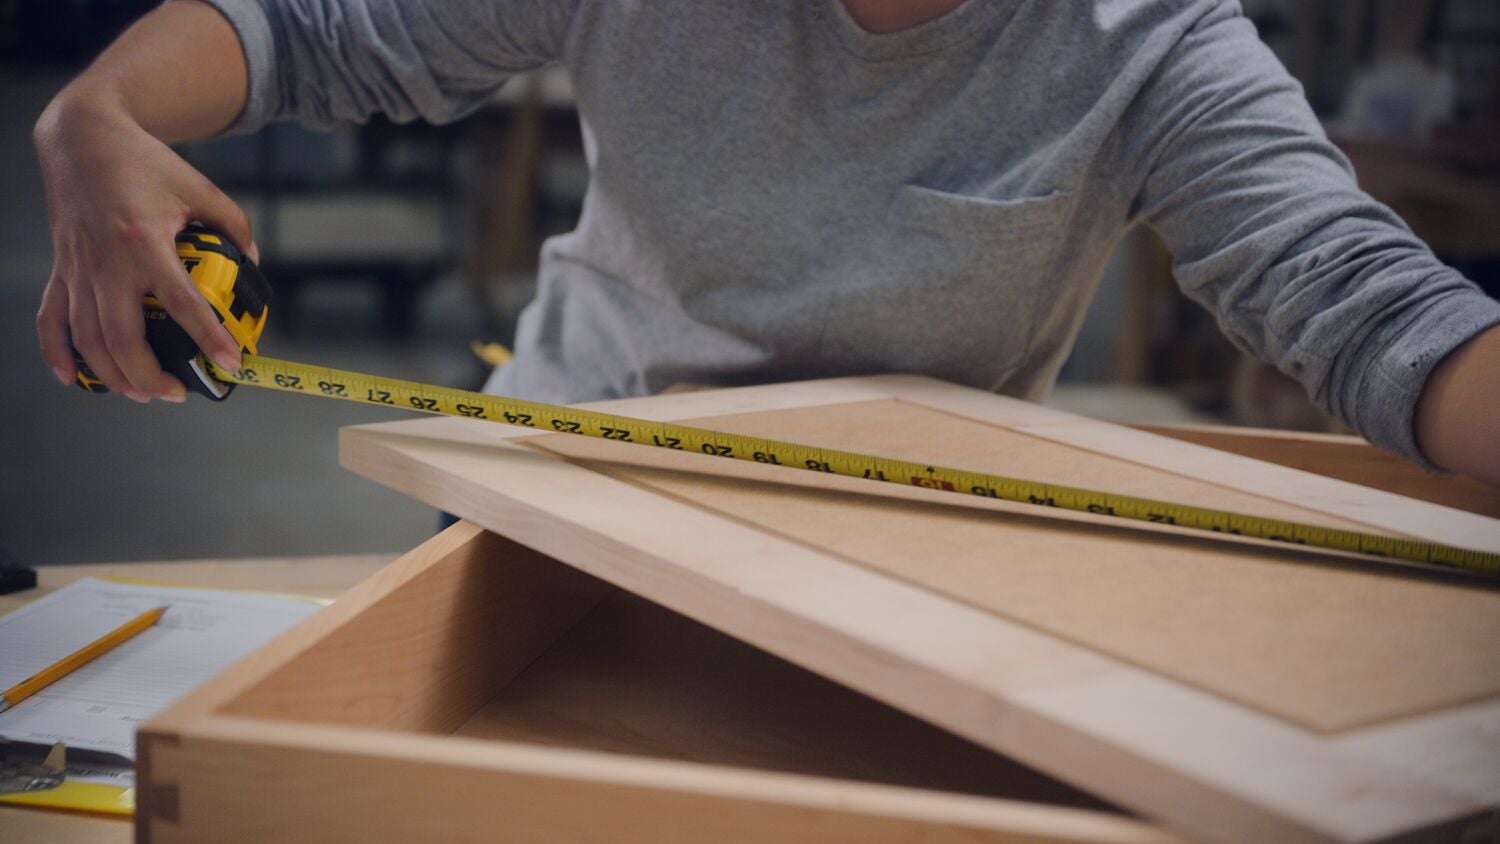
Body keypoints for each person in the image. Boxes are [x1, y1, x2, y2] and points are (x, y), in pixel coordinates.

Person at [33, 0, 1500, 486]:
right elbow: (312, 32)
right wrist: (93, 115)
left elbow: (1373, 312)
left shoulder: (1153, 42)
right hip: (567, 492)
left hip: (886, 558)